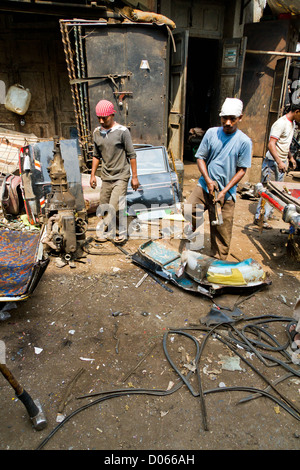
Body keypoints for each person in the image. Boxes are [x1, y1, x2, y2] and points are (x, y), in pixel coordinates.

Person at [186, 97, 252, 260]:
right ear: (220, 117)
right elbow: (200, 157)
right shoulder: (211, 133)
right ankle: (191, 231)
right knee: (190, 210)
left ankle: (217, 262)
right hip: (204, 185)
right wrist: (208, 180)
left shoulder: (244, 141)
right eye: (225, 118)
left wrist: (224, 191)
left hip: (226, 193)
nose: (228, 122)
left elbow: (242, 170)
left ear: (240, 118)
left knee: (221, 231)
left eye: (232, 119)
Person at [90, 99, 139, 241]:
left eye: (104, 118)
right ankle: (111, 231)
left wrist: (134, 177)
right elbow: (96, 155)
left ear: (112, 115)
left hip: (121, 175)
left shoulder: (123, 132)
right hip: (106, 176)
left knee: (115, 205)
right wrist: (93, 175)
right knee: (105, 206)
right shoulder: (97, 133)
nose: (101, 120)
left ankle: (121, 232)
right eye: (98, 118)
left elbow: (132, 155)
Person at [254, 104, 300, 229]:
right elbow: (271, 144)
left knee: (276, 191)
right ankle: (260, 217)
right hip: (272, 162)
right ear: (297, 111)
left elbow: (286, 143)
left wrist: (289, 157)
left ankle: (267, 215)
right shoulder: (281, 123)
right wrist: (279, 161)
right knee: (268, 190)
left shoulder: (292, 123)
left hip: (281, 162)